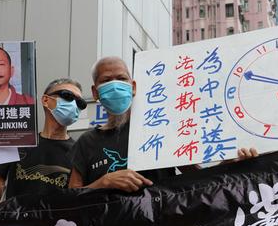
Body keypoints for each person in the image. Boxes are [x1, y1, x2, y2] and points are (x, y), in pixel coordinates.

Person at [69, 56, 258, 192]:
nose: (115, 85)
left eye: (121, 78)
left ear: (133, 87)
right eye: (106, 80)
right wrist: (103, 182)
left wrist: (229, 164)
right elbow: (69, 199)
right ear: (95, 93)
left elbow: (199, 179)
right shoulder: (86, 143)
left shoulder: (159, 129)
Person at [0, 78, 87, 205]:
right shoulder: (17, 142)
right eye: (67, 96)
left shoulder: (79, 153)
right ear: (46, 100)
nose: (73, 105)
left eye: (80, 103)